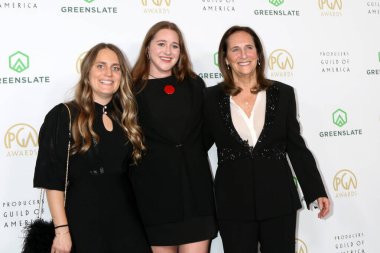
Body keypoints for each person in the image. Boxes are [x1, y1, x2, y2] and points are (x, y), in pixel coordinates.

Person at [203, 26, 331, 253]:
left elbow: (295, 145)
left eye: (249, 47)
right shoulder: (210, 98)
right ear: (225, 58)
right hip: (232, 203)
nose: (243, 55)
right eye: (235, 49)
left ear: (258, 54)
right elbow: (199, 145)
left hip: (279, 199)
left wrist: (315, 190)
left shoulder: (283, 94)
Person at [33, 43, 151, 253]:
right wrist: (62, 231)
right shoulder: (64, 115)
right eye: (101, 66)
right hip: (83, 224)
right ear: (87, 72)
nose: (109, 73)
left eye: (116, 68)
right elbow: (52, 179)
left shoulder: (125, 118)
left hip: (125, 223)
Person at [130, 21, 217, 253]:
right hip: (153, 198)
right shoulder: (130, 90)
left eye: (174, 46)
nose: (168, 51)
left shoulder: (194, 85)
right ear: (147, 48)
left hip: (195, 193)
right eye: (161, 44)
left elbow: (205, 134)